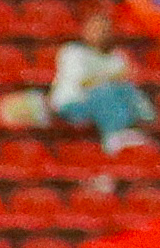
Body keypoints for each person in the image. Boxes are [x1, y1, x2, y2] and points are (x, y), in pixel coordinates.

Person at [51, 12, 154, 156]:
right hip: (73, 103)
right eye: (95, 29)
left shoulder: (117, 57)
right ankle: (114, 136)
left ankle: (140, 127)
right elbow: (85, 83)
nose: (100, 33)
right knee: (104, 91)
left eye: (104, 30)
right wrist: (112, 78)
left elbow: (127, 81)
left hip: (110, 103)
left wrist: (117, 79)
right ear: (85, 30)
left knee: (127, 89)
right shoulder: (73, 52)